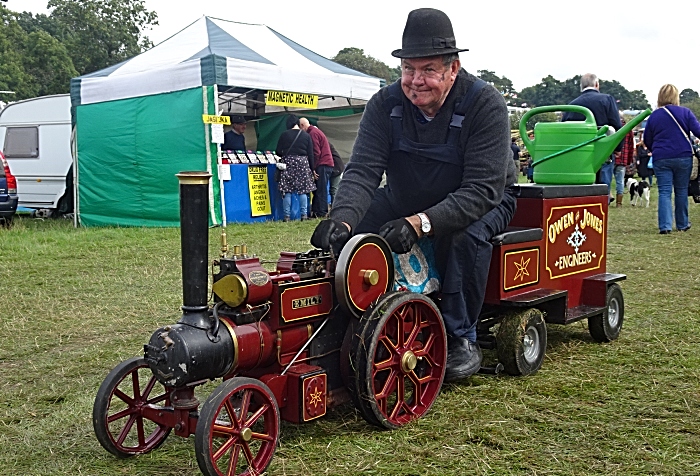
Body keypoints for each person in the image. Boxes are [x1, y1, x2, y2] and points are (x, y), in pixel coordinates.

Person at [310, 8, 518, 382]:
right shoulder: (384, 105)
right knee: (356, 232)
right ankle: (345, 320)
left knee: (463, 236)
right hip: (407, 195)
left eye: (428, 70)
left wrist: (421, 223)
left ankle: (459, 336)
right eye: (408, 69)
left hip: (484, 199)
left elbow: (482, 189)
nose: (415, 81)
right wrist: (341, 219)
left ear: (453, 69)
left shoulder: (485, 104)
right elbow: (362, 172)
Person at [643, 84, 700, 233]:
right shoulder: (685, 113)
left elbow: (647, 138)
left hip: (661, 157)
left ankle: (665, 226)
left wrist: (655, 149)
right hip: (683, 156)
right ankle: (682, 224)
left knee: (664, 191)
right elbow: (698, 131)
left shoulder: (654, 115)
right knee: (681, 190)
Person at [562, 73, 622, 201]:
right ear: (597, 84)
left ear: (581, 87)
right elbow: (616, 125)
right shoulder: (607, 99)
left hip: (579, 153)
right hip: (603, 150)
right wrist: (618, 148)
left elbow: (564, 130)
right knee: (603, 183)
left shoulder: (571, 105)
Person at [275, 115, 316, 221]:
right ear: (298, 123)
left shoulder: (284, 135)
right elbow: (311, 154)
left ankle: (287, 217)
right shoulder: (306, 136)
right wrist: (313, 169)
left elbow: (278, 152)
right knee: (303, 191)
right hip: (302, 164)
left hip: (288, 163)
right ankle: (304, 215)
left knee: (287, 190)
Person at [299, 118, 334, 218]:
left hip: (322, 164)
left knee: (321, 190)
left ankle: (321, 212)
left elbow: (316, 152)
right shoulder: (316, 131)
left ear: (302, 125)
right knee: (319, 189)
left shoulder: (312, 134)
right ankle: (317, 211)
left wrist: (313, 168)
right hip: (326, 163)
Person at [613, 117, 635, 207]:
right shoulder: (628, 129)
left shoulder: (611, 127)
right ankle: (619, 203)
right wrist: (629, 161)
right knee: (620, 181)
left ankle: (606, 200)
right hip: (623, 159)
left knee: (606, 180)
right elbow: (630, 147)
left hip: (610, 157)